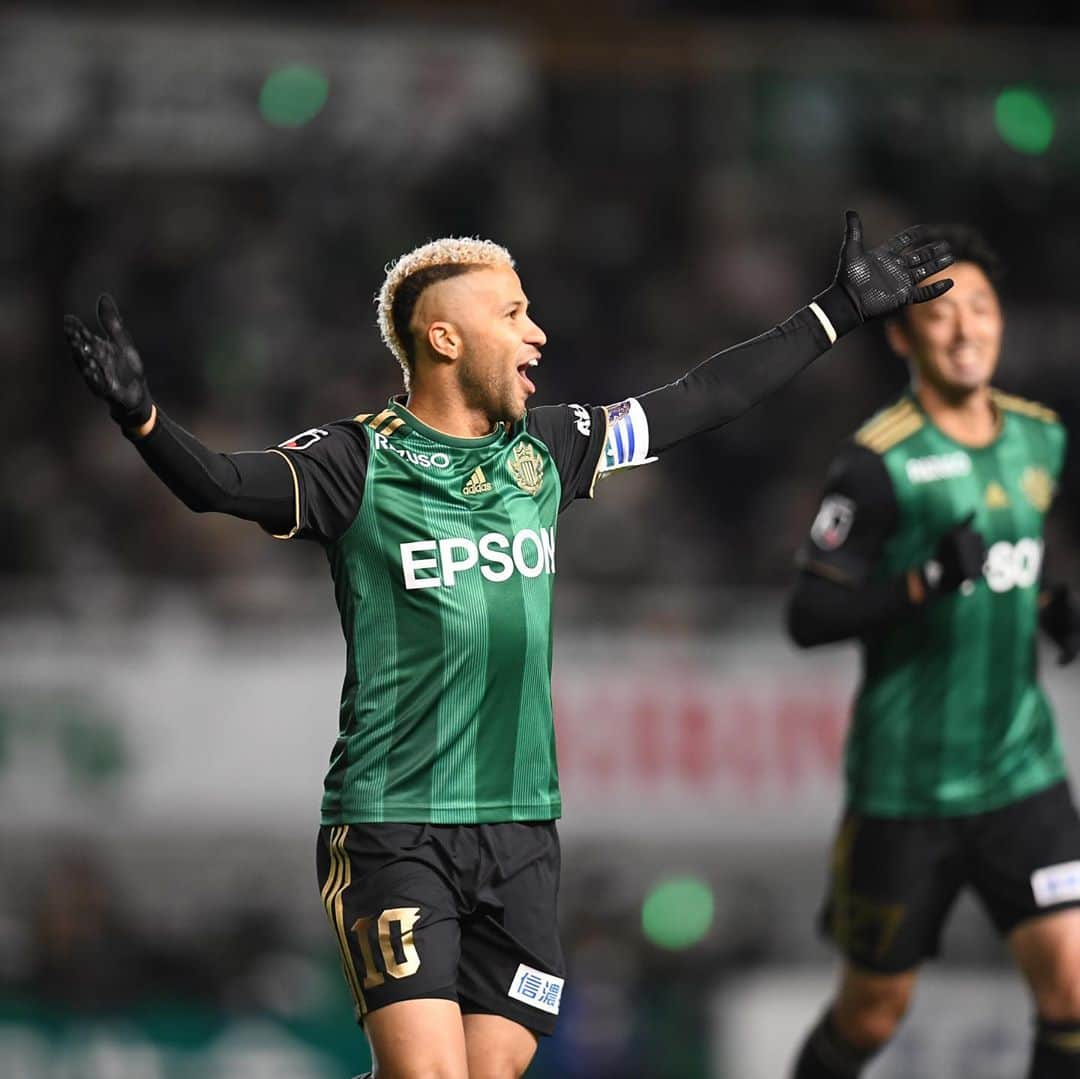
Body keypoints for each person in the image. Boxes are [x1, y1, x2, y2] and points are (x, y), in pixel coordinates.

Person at [65, 212, 951, 1079]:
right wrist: (145, 420)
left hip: (522, 830)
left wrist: (834, 311)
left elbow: (702, 401)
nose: (539, 331)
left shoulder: (549, 452)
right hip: (395, 824)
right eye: (514, 313)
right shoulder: (354, 464)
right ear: (444, 337)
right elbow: (219, 486)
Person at [786, 226, 1080, 1079]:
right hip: (906, 791)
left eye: (982, 309)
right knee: (873, 1013)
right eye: (943, 314)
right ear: (903, 334)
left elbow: (1013, 569)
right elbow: (809, 614)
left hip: (1021, 774)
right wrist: (919, 584)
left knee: (1071, 986)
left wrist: (1051, 607)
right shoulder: (876, 463)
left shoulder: (1041, 439)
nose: (966, 329)